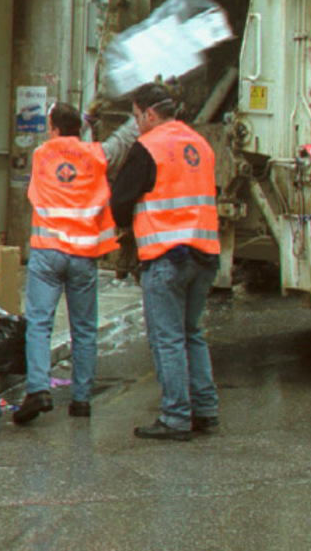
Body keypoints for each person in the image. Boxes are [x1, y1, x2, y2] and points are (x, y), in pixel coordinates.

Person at [12, 102, 137, 425]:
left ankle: (39, 388)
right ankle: (81, 399)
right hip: (84, 255)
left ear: (52, 128)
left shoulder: (42, 154)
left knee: (39, 324)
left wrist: (83, 120)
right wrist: (134, 119)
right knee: (84, 329)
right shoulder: (95, 155)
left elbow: (63, 140)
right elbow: (121, 144)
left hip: (48, 253)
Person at [109, 82, 220, 442]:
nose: (136, 124)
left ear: (149, 113)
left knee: (168, 338)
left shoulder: (149, 147)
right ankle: (205, 410)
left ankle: (175, 417)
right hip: (205, 254)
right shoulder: (199, 144)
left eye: (137, 116)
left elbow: (120, 203)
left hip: (167, 256)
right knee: (192, 333)